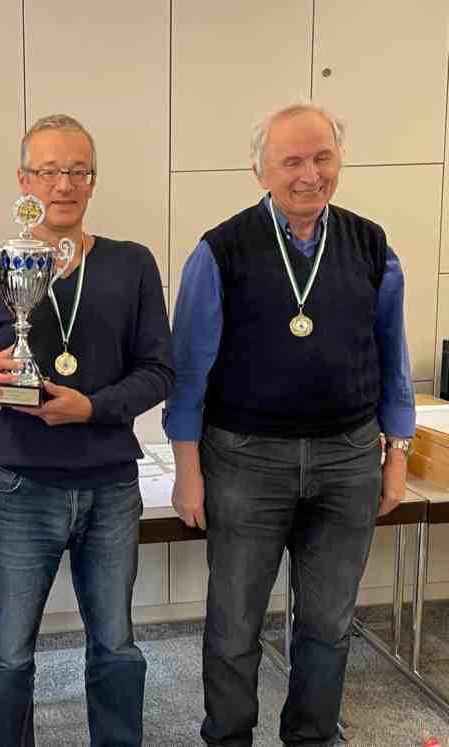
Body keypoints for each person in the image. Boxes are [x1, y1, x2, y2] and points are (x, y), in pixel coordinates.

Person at [165, 101, 415, 747]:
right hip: (245, 460)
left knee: (328, 625)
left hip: (348, 458)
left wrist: (398, 452)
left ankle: (312, 737)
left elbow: (392, 356)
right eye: (292, 161)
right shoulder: (220, 250)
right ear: (261, 171)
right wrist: (188, 471)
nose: (309, 174)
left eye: (322, 157)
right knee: (234, 624)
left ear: (340, 160)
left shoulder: (371, 244)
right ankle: (229, 737)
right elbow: (190, 370)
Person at [0, 113, 175, 747]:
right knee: (9, 654)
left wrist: (92, 408)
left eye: (79, 170)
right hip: (20, 487)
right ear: (24, 179)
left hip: (110, 487)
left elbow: (160, 371)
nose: (64, 184)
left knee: (116, 646)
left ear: (94, 180)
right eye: (49, 170)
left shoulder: (131, 264)